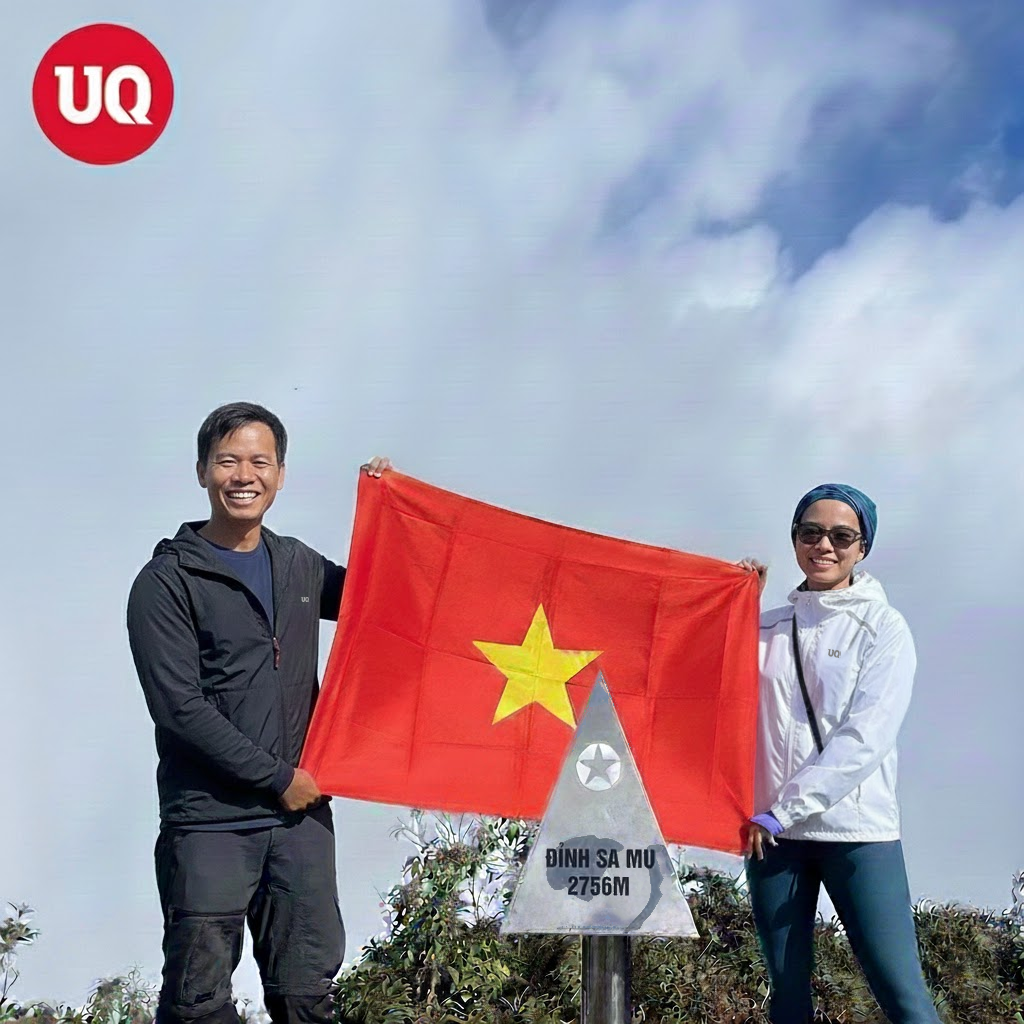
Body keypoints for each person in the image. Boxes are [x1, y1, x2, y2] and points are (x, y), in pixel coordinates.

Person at [127, 402, 390, 1024]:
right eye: (228, 461)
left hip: (299, 826)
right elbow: (180, 709)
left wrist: (388, 507)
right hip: (210, 825)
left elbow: (380, 595)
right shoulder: (166, 582)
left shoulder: (298, 564)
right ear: (202, 471)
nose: (243, 476)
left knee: (307, 996)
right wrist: (277, 778)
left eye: (259, 462)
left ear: (280, 474)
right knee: (198, 1003)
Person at [738, 484, 941, 1024]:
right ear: (794, 539)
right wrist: (736, 607)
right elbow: (710, 687)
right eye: (811, 532)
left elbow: (866, 738)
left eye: (841, 536)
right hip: (773, 839)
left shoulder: (883, 628)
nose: (823, 545)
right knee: (786, 998)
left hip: (856, 832)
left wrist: (784, 808)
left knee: (901, 994)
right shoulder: (765, 628)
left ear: (862, 547)